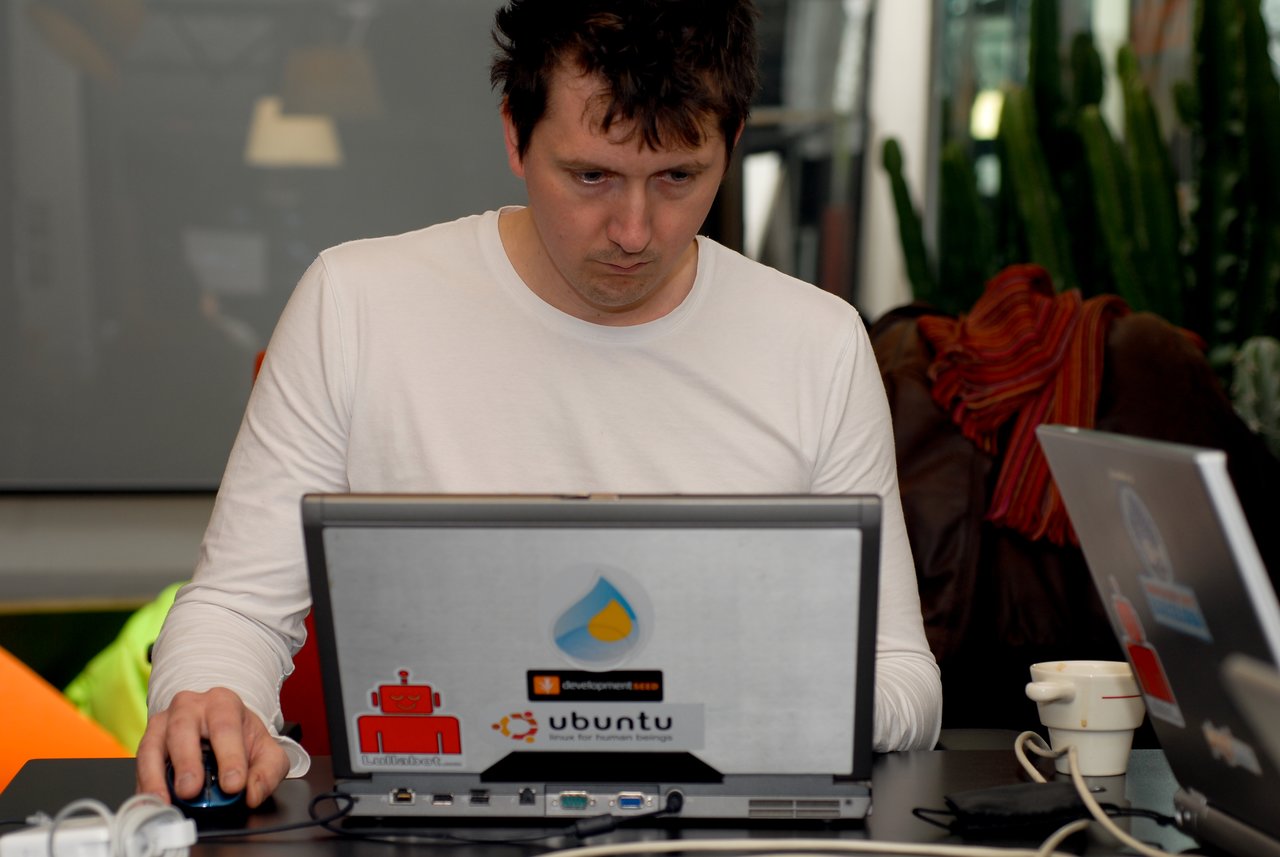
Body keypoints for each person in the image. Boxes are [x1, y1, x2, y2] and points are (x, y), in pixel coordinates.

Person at [137, 0, 943, 809]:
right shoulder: (356, 304)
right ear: (516, 138)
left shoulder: (819, 343)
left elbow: (906, 676)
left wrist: (755, 703)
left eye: (677, 177)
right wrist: (210, 699)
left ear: (731, 146)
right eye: (591, 175)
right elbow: (237, 604)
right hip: (436, 822)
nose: (634, 230)